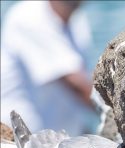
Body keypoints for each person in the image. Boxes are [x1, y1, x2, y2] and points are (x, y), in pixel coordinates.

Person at [1, 0, 100, 136]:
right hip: (20, 140)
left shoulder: (77, 21)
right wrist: (118, 112)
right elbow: (76, 84)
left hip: (58, 142)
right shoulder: (29, 16)